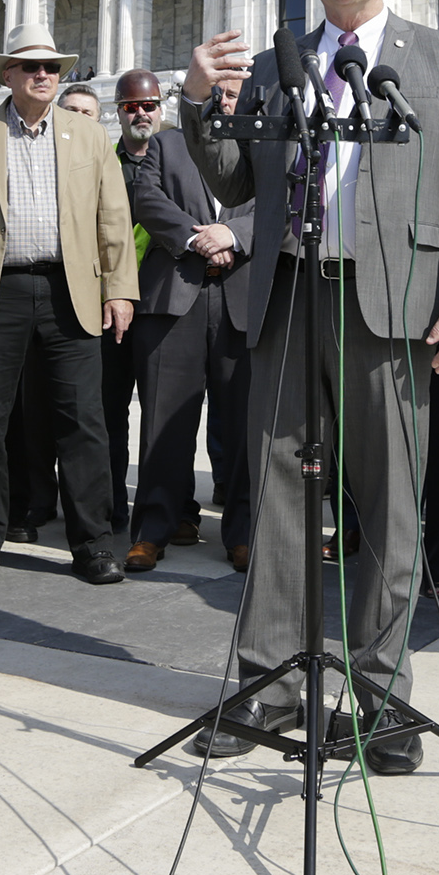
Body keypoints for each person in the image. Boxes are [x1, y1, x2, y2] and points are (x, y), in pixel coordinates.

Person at [180, 0, 439, 774]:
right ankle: (269, 684)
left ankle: (381, 700)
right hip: (287, 297)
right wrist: (200, 100)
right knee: (279, 498)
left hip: (391, 303)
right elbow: (236, 176)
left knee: (392, 509)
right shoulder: (287, 64)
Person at [0, 25, 138, 587]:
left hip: (68, 291)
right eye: (31, 67)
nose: (44, 74)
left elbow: (113, 214)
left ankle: (94, 543)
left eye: (52, 66)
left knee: (84, 422)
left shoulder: (88, 132)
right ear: (8, 76)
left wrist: (119, 287)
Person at [123, 84, 256, 572]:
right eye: (217, 92)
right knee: (162, 419)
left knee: (244, 424)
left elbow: (285, 204)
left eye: (235, 94)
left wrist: (234, 235)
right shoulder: (167, 142)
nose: (225, 102)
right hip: (174, 294)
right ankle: (154, 529)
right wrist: (198, 238)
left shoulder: (264, 145)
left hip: (241, 299)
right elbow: (146, 197)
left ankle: (241, 531)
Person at [104, 68, 163, 534]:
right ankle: (110, 501)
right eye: (130, 106)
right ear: (118, 111)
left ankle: (164, 507)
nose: (140, 113)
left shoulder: (182, 159)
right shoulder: (104, 162)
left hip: (164, 304)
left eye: (148, 105)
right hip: (114, 305)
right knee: (110, 408)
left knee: (162, 412)